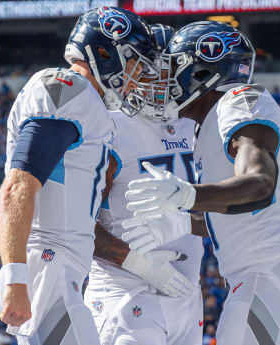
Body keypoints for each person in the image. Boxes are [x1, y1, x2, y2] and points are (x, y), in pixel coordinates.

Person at [122, 21, 280, 345]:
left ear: (203, 73)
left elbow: (259, 184)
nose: (166, 79)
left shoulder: (237, 101)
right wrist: (182, 223)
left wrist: (189, 195)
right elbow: (236, 209)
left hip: (271, 277)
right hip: (273, 278)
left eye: (174, 68)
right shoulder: (209, 125)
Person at [0, 6, 157, 345]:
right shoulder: (68, 89)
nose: (138, 75)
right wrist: (15, 278)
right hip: (47, 261)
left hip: (57, 264)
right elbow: (18, 185)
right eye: (134, 63)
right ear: (104, 53)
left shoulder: (88, 102)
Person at [82, 24, 205, 345]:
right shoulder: (111, 126)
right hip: (123, 292)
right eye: (149, 69)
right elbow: (74, 222)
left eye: (170, 69)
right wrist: (137, 262)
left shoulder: (196, 125)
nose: (161, 79)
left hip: (188, 293)